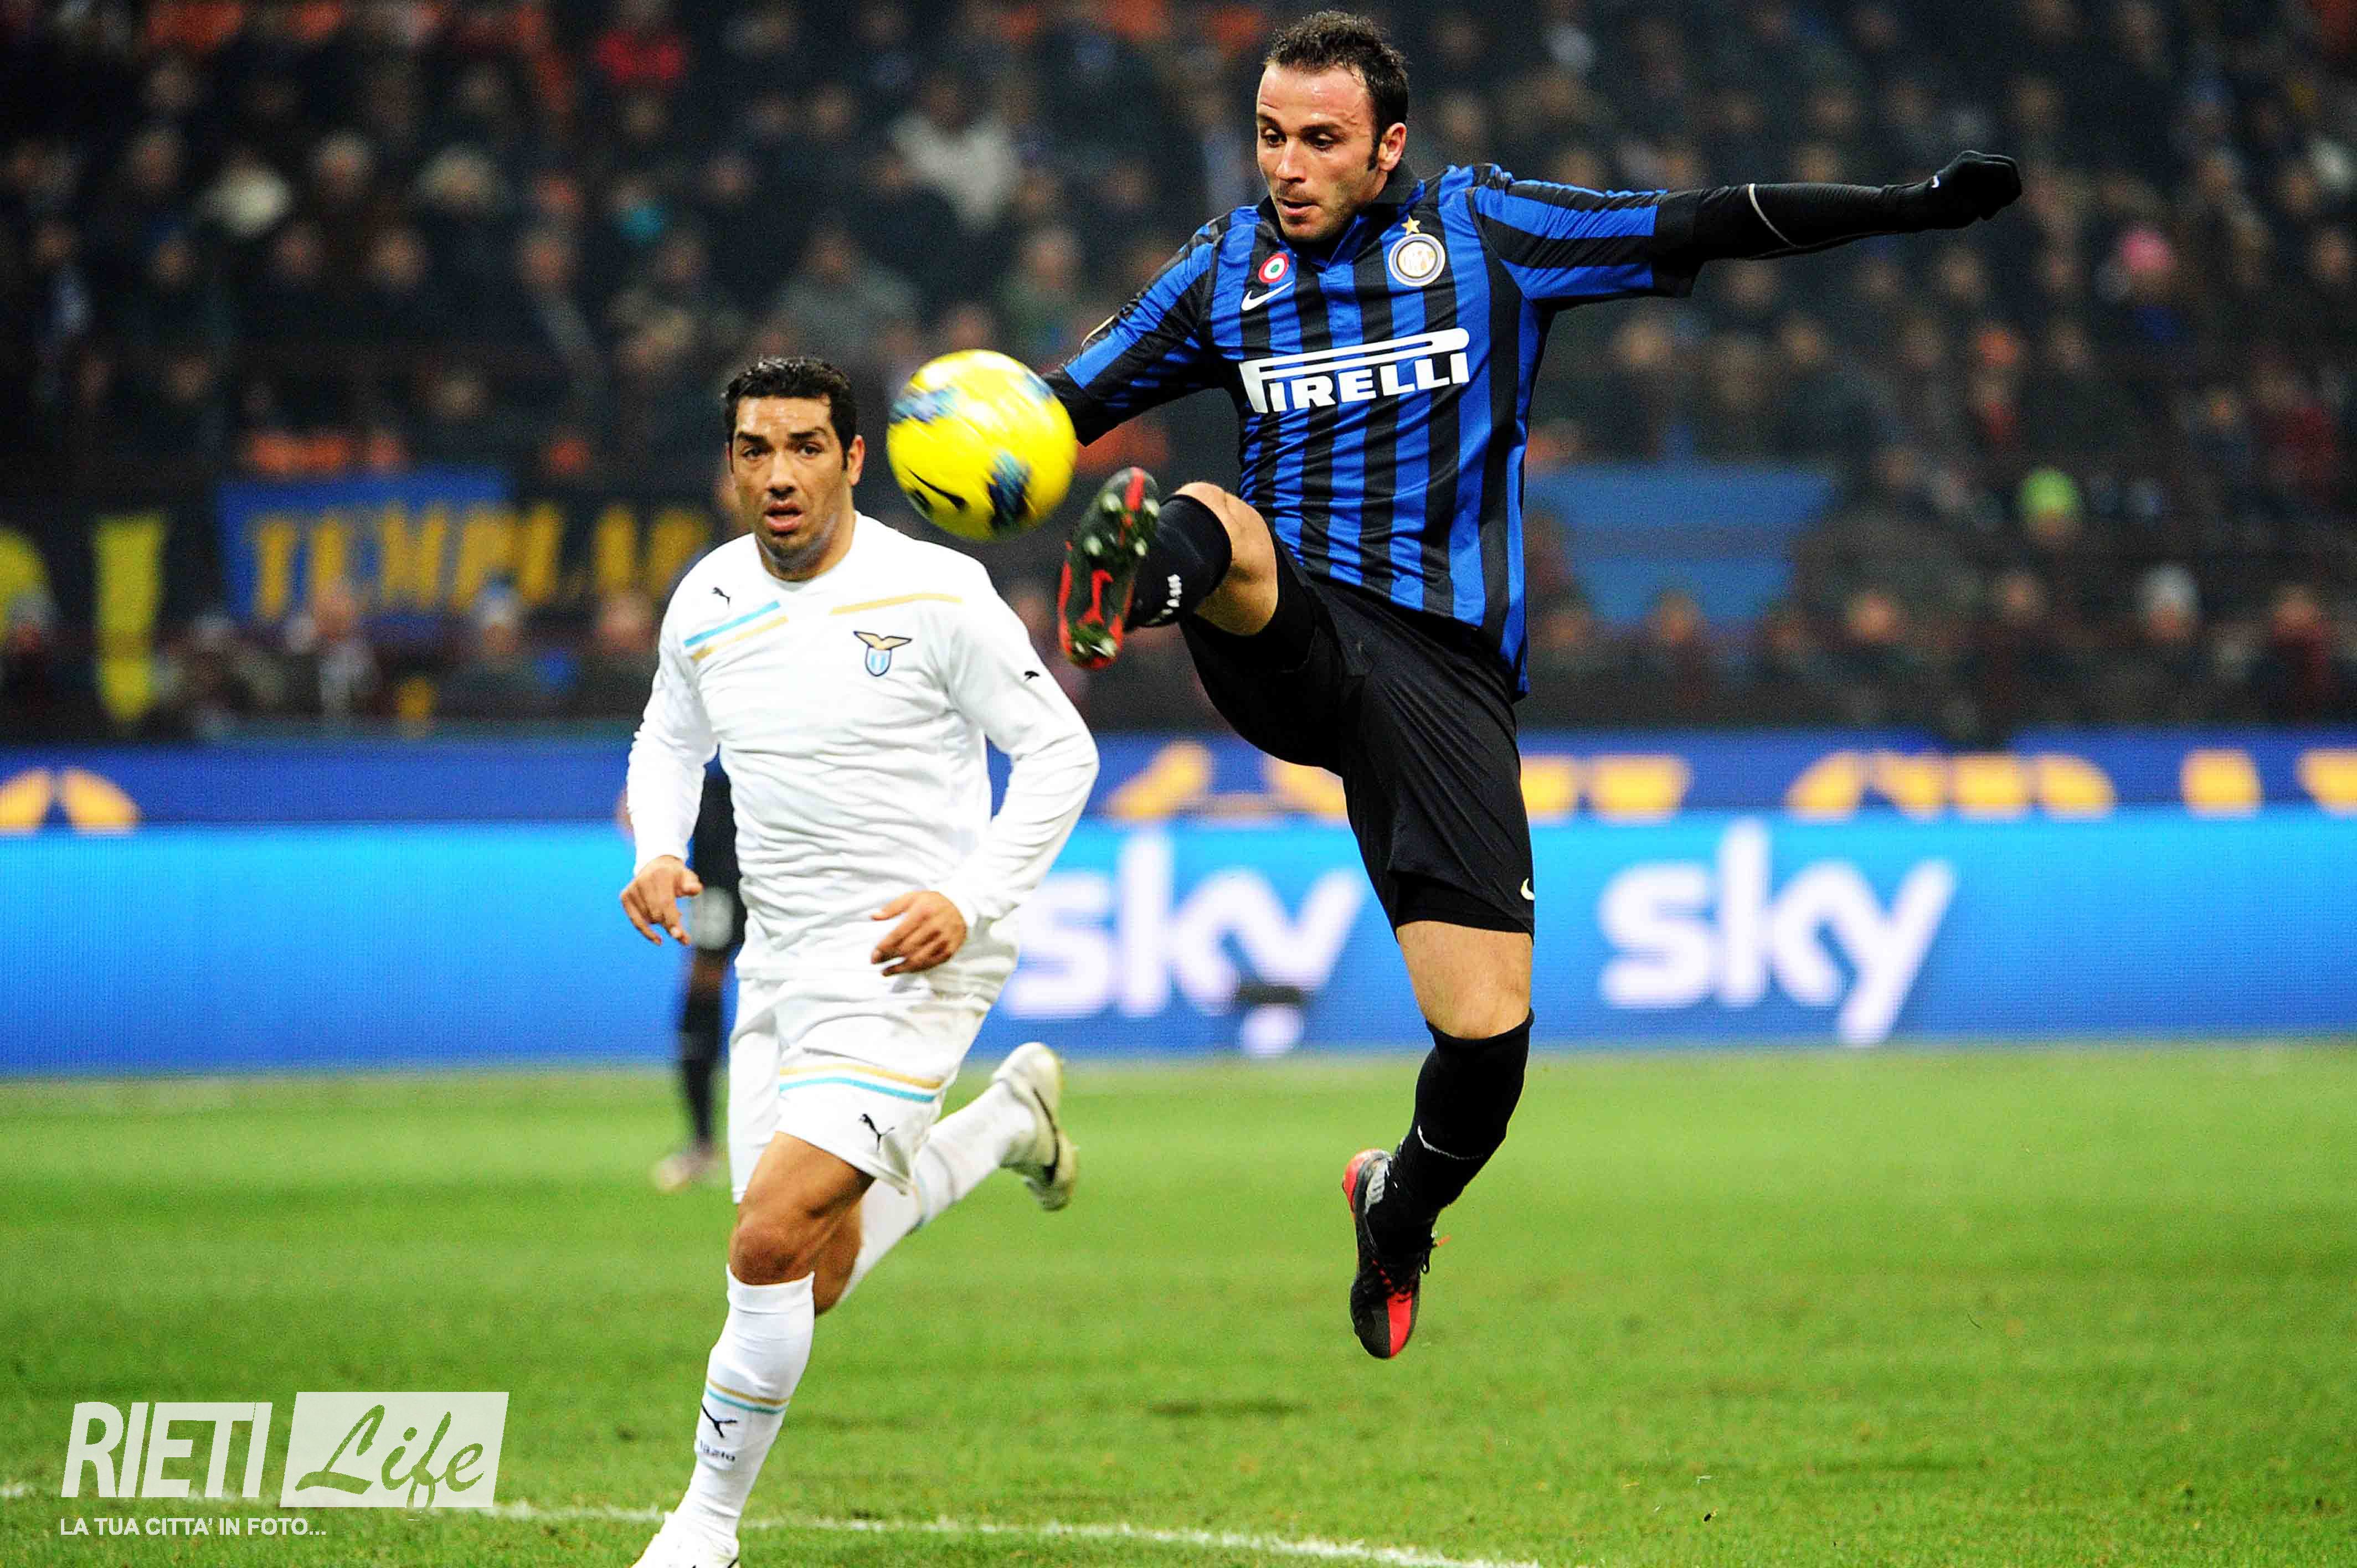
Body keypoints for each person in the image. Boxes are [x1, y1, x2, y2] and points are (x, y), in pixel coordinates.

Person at [1043, 9, 2021, 1360]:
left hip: (1442, 673)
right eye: (1269, 136)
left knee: (1487, 1043)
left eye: (1320, 139)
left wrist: (1908, 206)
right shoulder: (1225, 267)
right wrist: (956, 440)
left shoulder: (1487, 231)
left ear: (1388, 147)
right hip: (1291, 636)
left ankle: (1397, 1206)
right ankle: (1138, 590)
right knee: (1215, 514)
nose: (1287, 165)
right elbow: (1057, 407)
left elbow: (1700, 221)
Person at [619, 357, 1099, 1568]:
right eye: (755, 450)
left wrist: (969, 899)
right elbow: (668, 736)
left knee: (765, 1242)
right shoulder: (708, 598)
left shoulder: (935, 592)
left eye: (804, 447)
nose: (779, 474)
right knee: (812, 1274)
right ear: (731, 466)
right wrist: (659, 848)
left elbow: (1061, 754)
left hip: (909, 962)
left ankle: (701, 1529)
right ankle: (1006, 1127)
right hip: (780, 965)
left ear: (853, 459)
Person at [648, 763, 741, 1194]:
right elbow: (674, 734)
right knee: (705, 977)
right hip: (719, 808)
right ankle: (703, 1144)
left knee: (797, 972)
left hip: (777, 802)